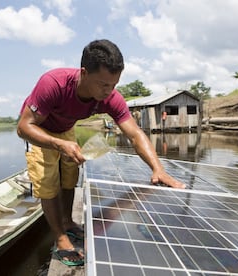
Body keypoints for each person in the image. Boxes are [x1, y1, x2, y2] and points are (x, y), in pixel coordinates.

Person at [17, 39, 185, 266]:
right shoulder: (54, 83)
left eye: (113, 85)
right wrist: (57, 144)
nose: (108, 91)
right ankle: (60, 238)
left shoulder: (110, 96)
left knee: (70, 175)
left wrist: (158, 169)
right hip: (39, 129)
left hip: (65, 129)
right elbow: (23, 127)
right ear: (84, 73)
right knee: (47, 180)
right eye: (103, 84)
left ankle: (67, 221)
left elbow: (134, 134)